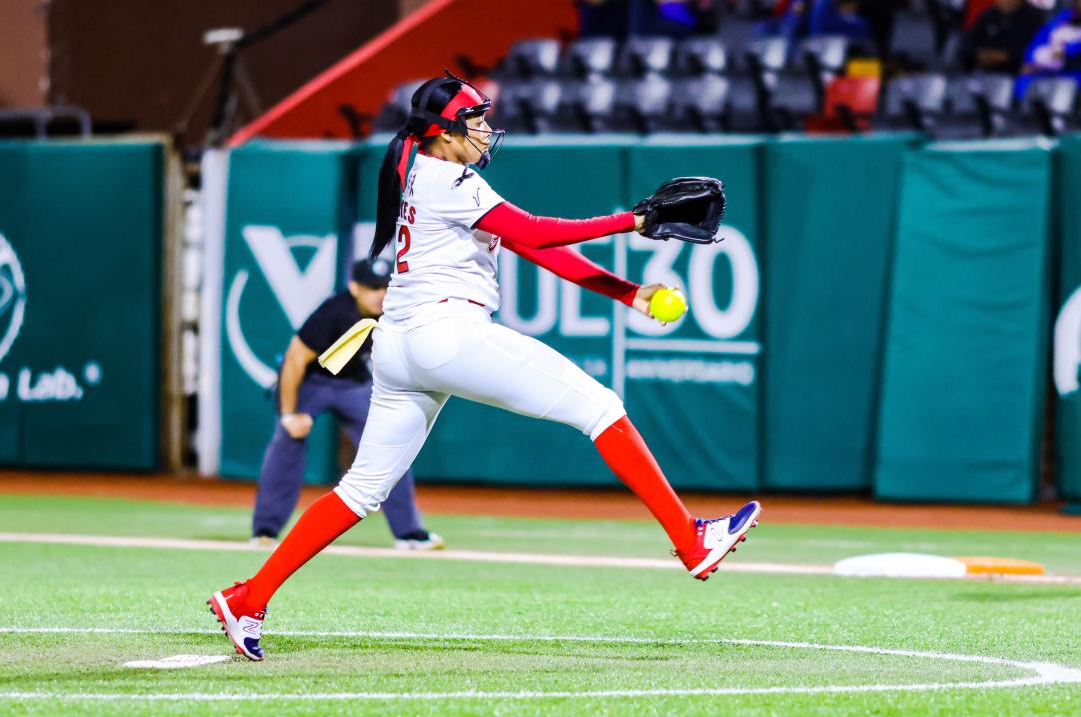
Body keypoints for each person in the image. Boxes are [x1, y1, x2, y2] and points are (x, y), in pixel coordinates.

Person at [209, 72, 762, 661]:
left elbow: (527, 245)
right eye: (472, 121)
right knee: (601, 408)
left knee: (359, 491)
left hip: (398, 346)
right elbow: (535, 232)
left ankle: (249, 596)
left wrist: (627, 293)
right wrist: (631, 221)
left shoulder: (417, 169)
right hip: (446, 334)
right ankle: (690, 538)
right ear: (443, 133)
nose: (483, 131)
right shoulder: (448, 177)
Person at [250, 258, 444, 551]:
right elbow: (294, 361)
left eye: (385, 287)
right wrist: (289, 414)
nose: (381, 294)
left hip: (354, 384)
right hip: (312, 383)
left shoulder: (395, 311)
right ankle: (265, 529)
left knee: (392, 442)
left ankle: (408, 533)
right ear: (354, 287)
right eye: (372, 287)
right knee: (287, 439)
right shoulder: (333, 312)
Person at [959, 0, 1046, 75]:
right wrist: (979, 54)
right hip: (980, 72)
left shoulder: (1034, 19)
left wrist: (1006, 57)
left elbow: (1037, 53)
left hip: (1014, 74)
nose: (1007, 1)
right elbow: (966, 45)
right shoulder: (989, 15)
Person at [1017, 0, 1081, 97]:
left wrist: (1068, 51)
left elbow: (1071, 51)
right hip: (1043, 71)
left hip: (1071, 76)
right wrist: (1029, 61)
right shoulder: (1064, 17)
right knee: (1023, 83)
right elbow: (1040, 38)